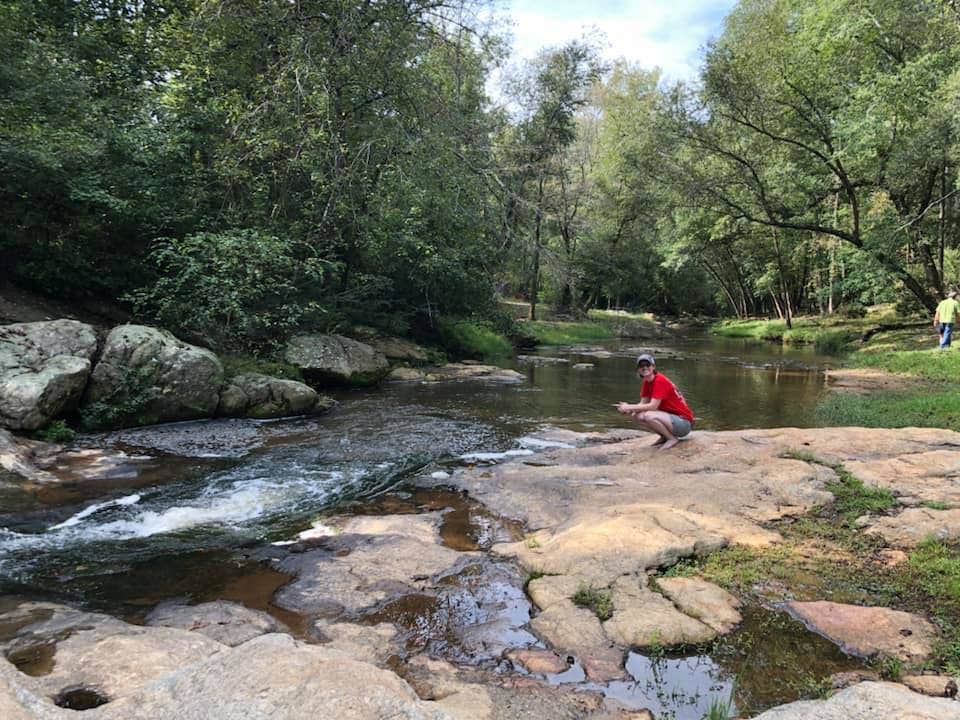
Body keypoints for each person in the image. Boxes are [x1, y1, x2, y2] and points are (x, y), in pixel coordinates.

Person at [617, 353, 695, 450]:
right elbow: (642, 404)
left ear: (653, 367)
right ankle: (664, 436)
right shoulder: (647, 382)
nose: (644, 367)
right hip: (671, 420)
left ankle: (672, 439)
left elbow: (653, 406)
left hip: (684, 423)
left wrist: (629, 407)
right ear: (638, 369)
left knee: (649, 415)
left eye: (647, 365)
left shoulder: (659, 381)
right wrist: (629, 410)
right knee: (637, 416)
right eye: (641, 366)